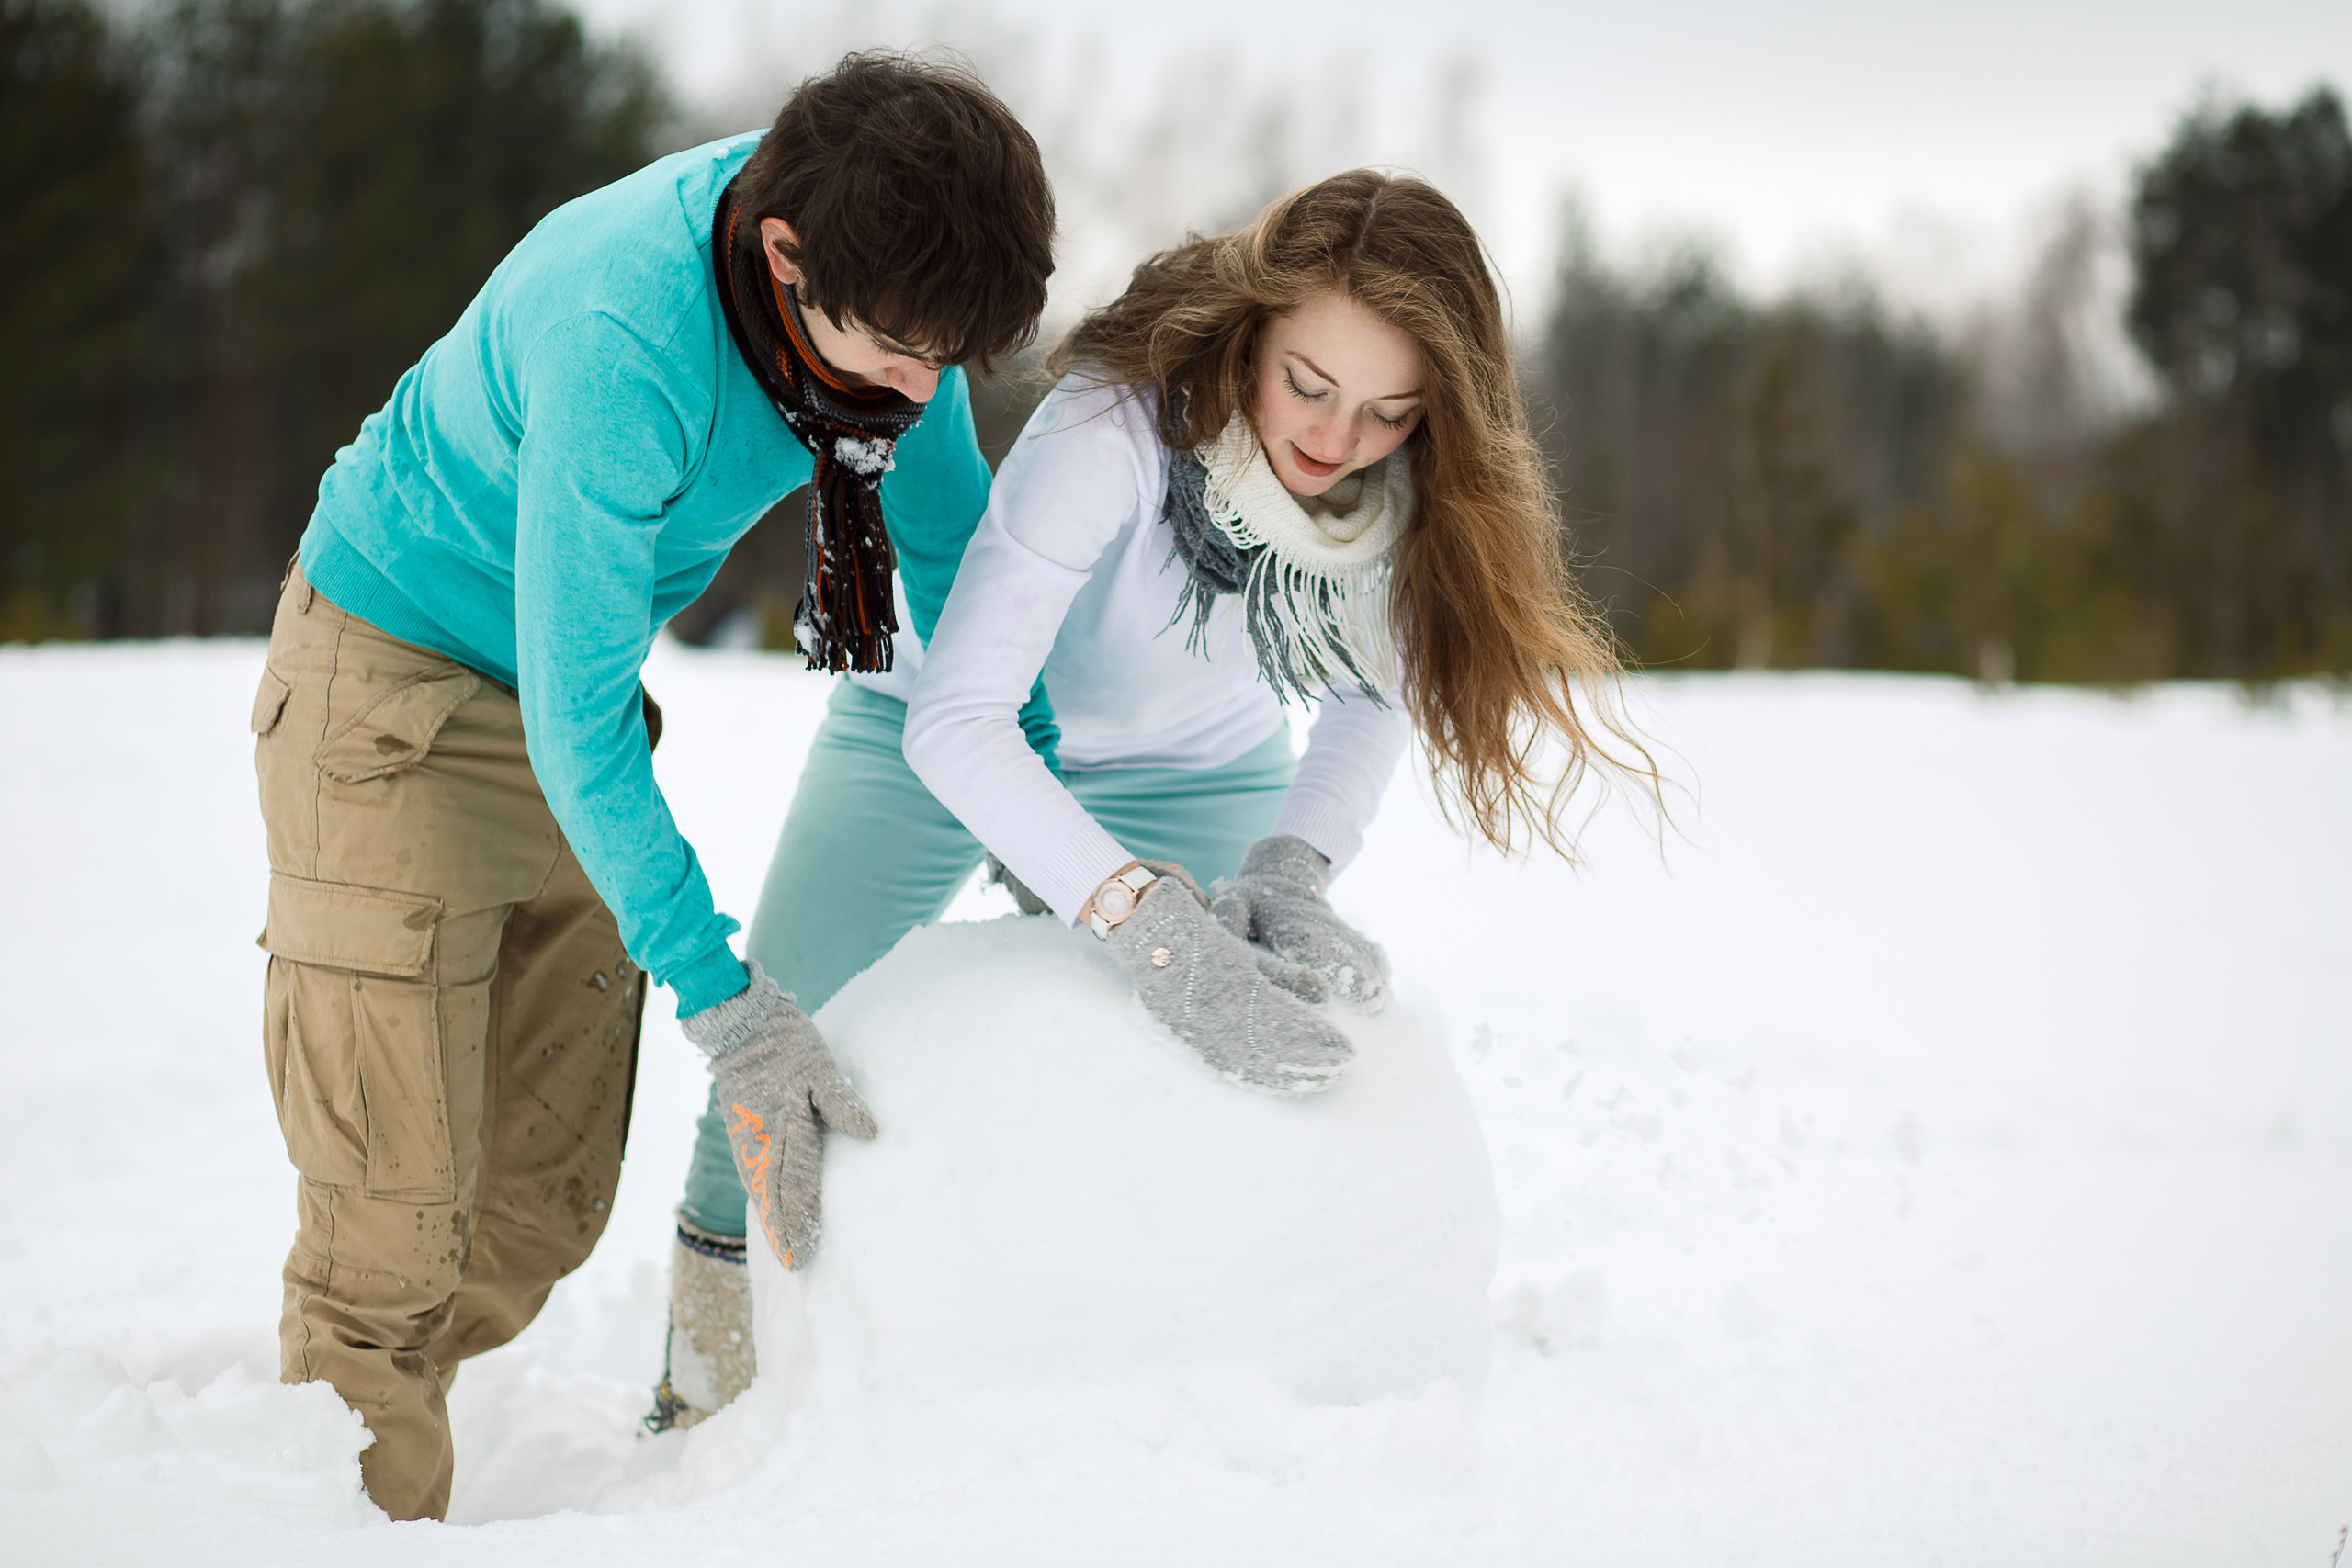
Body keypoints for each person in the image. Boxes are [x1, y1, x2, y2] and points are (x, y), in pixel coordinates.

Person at [654, 168, 1654, 1425]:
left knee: (1235, 1077)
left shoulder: (1402, 493)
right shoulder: (1115, 423)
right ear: (1253, 332)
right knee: (775, 1057)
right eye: (1310, 385)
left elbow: (1367, 699)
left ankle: (1189, 1397)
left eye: (1390, 412)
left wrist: (1292, 868)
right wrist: (1139, 920)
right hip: (936, 726)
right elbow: (967, 720)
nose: (1337, 443)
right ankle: (705, 1392)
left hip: (1192, 762)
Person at [247, 52, 1056, 1519]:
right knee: (395, 1231)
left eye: (952, 360)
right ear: (783, 257)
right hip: (394, 678)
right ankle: (332, 1490)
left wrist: (1053, 855)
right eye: (896, 353)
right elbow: (574, 714)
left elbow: (963, 582)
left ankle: (394, 1396)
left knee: (539, 1210)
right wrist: (726, 1001)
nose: (923, 395)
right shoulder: (625, 329)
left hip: (568, 699)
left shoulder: (893, 279)